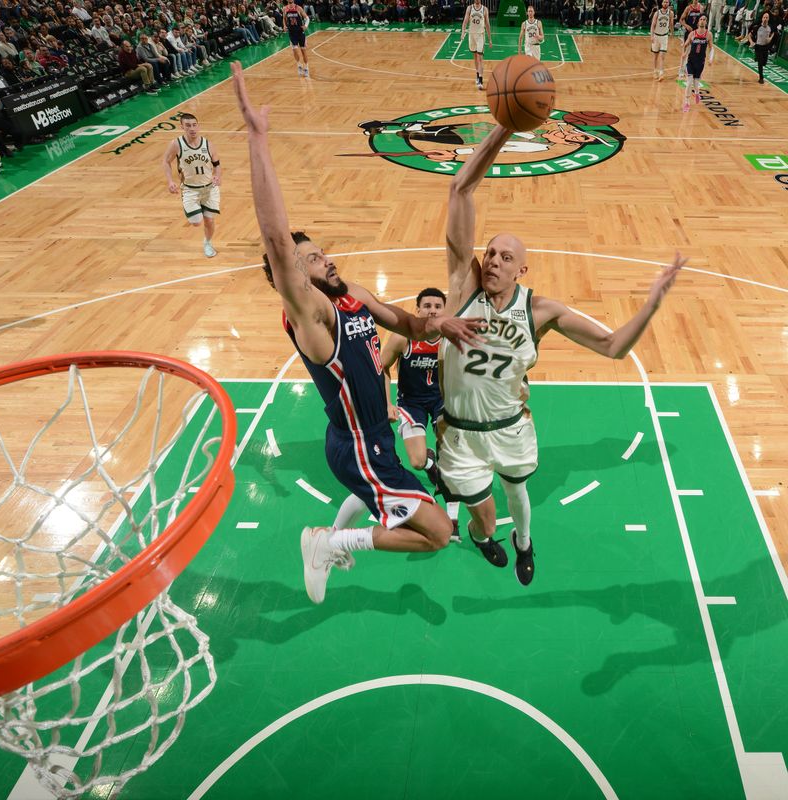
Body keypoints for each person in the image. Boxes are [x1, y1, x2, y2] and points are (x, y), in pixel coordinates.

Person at [230, 62, 485, 604]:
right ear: (293, 279)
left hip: (377, 437)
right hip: (356, 447)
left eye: (320, 252)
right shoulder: (313, 318)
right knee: (439, 535)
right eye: (310, 260)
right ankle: (328, 542)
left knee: (429, 526)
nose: (323, 258)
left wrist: (445, 324)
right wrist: (258, 138)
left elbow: (411, 322)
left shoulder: (355, 295)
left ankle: (355, 513)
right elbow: (276, 239)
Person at [440, 123, 685, 587]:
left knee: (517, 493)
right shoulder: (461, 289)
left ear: (523, 269)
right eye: (490, 252)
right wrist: (505, 128)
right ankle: (484, 536)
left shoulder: (540, 310)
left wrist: (651, 304)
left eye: (506, 257)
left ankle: (526, 544)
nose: (493, 260)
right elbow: (460, 188)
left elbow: (613, 348)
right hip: (462, 434)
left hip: (510, 427)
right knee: (483, 520)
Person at [381, 287, 462, 540]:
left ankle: (453, 519)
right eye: (427, 306)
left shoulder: (451, 336)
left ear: (444, 310)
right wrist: (386, 404)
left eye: (438, 306)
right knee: (416, 461)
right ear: (418, 309)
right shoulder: (403, 337)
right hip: (410, 403)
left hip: (441, 400)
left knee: (452, 460)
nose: (432, 310)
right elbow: (381, 368)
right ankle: (429, 463)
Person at [162, 113, 222, 258]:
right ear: (182, 127)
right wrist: (170, 181)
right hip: (190, 189)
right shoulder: (176, 144)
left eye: (194, 125)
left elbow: (217, 164)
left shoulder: (208, 144)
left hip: (209, 188)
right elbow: (165, 161)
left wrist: (218, 176)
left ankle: (207, 243)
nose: (192, 128)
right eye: (188, 125)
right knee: (196, 222)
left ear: (198, 126)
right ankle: (197, 209)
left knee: (209, 220)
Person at [682, 13, 713, 110]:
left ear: (706, 22)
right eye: (701, 19)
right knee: (689, 82)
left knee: (696, 82)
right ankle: (686, 102)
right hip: (691, 60)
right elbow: (686, 45)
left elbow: (712, 48)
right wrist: (684, 52)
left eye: (704, 19)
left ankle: (696, 93)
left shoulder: (708, 34)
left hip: (700, 62)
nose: (703, 21)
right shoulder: (692, 34)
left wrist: (710, 58)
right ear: (698, 21)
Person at [461, 0, 491, 90]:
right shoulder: (469, 8)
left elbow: (487, 24)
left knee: (480, 58)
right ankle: (477, 74)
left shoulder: (485, 9)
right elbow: (465, 20)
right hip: (471, 35)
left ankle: (481, 80)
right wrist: (463, 31)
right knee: (475, 57)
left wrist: (490, 39)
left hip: (480, 35)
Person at [283, 0, 310, 76]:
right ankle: (299, 66)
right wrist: (284, 26)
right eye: (289, 2)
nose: (290, 4)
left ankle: (306, 68)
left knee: (303, 51)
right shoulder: (285, 9)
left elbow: (307, 18)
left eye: (291, 2)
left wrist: (305, 26)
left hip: (300, 32)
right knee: (295, 50)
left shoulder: (298, 8)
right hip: (292, 33)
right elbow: (284, 19)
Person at [678, 0, 703, 77]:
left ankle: (688, 69)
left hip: (697, 33)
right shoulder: (688, 8)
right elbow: (681, 20)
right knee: (685, 53)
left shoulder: (701, 7)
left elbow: (703, 19)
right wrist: (686, 26)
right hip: (689, 33)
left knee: (694, 53)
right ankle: (681, 69)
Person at [749, 11, 775, 82]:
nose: (765, 19)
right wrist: (751, 42)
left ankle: (757, 57)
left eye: (767, 17)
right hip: (758, 47)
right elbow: (749, 35)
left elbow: (773, 33)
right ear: (762, 18)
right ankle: (761, 78)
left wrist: (770, 38)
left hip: (765, 47)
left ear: (768, 19)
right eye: (764, 17)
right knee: (760, 63)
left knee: (764, 63)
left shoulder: (770, 27)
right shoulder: (757, 27)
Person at [650, 0, 673, 79]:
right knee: (655, 55)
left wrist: (672, 32)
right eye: (664, 2)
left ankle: (661, 72)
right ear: (662, 3)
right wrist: (652, 36)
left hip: (664, 36)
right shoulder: (657, 13)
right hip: (656, 36)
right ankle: (655, 71)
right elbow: (653, 25)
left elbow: (671, 23)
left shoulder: (670, 13)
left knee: (662, 55)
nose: (666, 3)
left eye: (667, 2)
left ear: (669, 3)